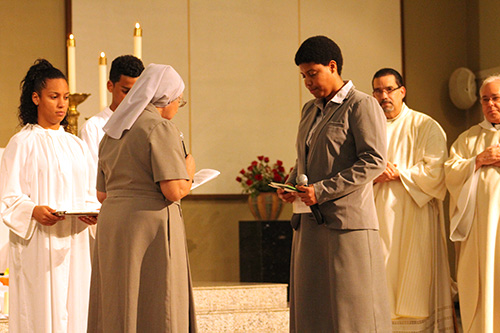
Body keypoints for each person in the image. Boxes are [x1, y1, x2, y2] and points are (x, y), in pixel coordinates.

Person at [278, 35, 391, 332]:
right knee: (312, 308)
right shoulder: (309, 109)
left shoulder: (361, 105)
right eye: (303, 76)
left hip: (347, 223)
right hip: (309, 222)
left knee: (353, 310)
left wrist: (322, 190)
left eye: (312, 73)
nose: (308, 82)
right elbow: (306, 158)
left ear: (332, 66)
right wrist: (291, 186)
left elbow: (373, 161)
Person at [87, 64, 197, 332]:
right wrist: (190, 169)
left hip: (114, 224)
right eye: (178, 100)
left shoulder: (112, 131)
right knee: (157, 300)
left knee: (117, 298)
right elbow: (173, 190)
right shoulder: (159, 127)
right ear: (166, 98)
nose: (177, 106)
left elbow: (102, 194)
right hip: (149, 225)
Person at [0, 59, 98, 332]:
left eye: (65, 97)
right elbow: (9, 196)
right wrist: (32, 210)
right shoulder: (22, 143)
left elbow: (89, 191)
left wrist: (91, 211)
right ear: (36, 98)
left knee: (76, 308)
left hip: (74, 242)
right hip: (38, 245)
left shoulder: (76, 145)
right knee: (40, 311)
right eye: (54, 97)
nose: (62, 104)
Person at [372, 68, 455, 331]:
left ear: (402, 91)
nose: (384, 96)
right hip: (376, 212)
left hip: (415, 212)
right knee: (381, 273)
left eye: (389, 90)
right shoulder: (368, 128)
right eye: (378, 91)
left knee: (415, 276)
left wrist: (399, 173)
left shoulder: (425, 125)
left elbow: (437, 171)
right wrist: (374, 174)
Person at [445, 75, 500, 332]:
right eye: (485, 99)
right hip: (480, 232)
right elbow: (449, 173)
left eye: (496, 98)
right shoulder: (468, 139)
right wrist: (477, 161)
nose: (490, 104)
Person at [80, 55, 144, 167]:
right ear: (110, 86)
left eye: (137, 91)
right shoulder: (92, 128)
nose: (132, 98)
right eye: (126, 91)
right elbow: (91, 175)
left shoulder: (145, 124)